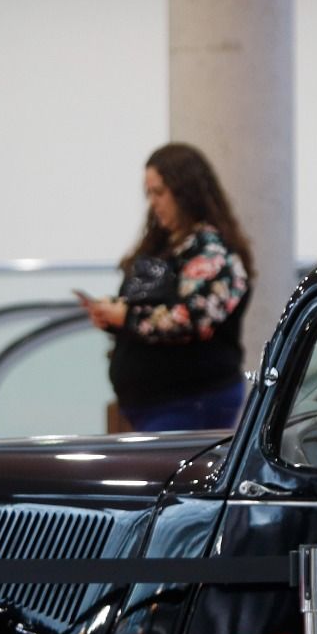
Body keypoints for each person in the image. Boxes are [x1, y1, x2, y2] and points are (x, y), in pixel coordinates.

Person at [79, 142, 254, 432]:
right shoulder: (162, 245)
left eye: (159, 192)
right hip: (152, 406)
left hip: (192, 401)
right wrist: (111, 315)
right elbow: (145, 302)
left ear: (186, 192)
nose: (153, 203)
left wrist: (126, 317)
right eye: (148, 193)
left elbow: (191, 318)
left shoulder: (213, 253)